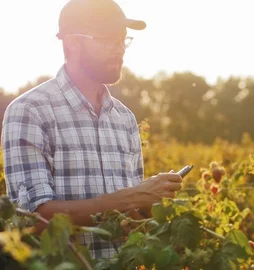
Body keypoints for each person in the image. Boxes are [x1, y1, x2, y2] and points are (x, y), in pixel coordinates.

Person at [1, 0, 182, 259]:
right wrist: (133, 197)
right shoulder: (30, 111)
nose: (119, 49)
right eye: (108, 39)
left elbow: (127, 219)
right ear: (73, 43)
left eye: (122, 39)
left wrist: (150, 207)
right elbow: (33, 219)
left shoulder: (124, 118)